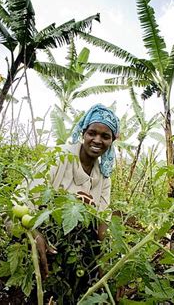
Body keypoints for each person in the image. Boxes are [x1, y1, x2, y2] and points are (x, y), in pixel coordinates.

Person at [22, 104, 120, 278]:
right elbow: (24, 200)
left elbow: (102, 220)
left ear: (112, 141)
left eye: (105, 136)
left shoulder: (104, 177)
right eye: (92, 133)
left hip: (73, 248)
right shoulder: (59, 157)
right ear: (83, 133)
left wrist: (106, 264)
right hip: (39, 230)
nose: (97, 140)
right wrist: (33, 234)